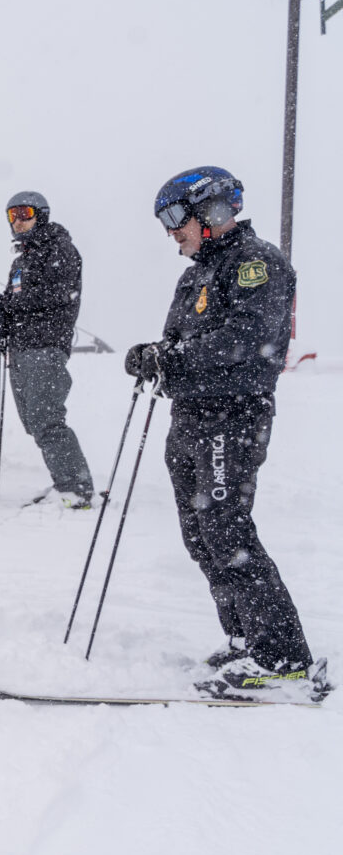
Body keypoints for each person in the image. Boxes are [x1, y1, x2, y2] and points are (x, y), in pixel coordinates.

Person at [126, 166, 326, 702]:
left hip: (231, 417)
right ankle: (244, 638)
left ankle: (282, 659)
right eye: (164, 222)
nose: (172, 232)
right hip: (191, 415)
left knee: (227, 531)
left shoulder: (255, 263)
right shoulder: (196, 273)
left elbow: (245, 336)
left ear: (211, 211)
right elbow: (186, 341)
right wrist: (156, 356)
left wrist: (174, 357)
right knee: (200, 533)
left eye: (176, 218)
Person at [0, 192, 94, 507]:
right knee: (33, 421)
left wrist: (7, 304)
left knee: (46, 419)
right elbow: (14, 300)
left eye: (24, 213)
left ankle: (76, 489)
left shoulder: (61, 250)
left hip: (45, 346)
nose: (18, 221)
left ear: (41, 215)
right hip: (20, 348)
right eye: (12, 216)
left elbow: (58, 294)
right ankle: (68, 484)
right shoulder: (20, 261)